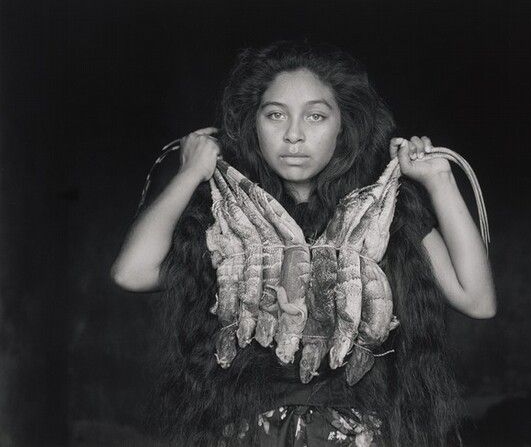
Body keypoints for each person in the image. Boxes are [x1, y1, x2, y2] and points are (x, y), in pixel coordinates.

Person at [111, 40, 496, 446]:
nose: (293, 135)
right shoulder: (222, 213)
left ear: (343, 125)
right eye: (275, 115)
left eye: (315, 116)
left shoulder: (384, 213)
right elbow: (131, 273)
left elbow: (478, 300)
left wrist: (440, 180)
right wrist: (190, 173)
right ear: (252, 123)